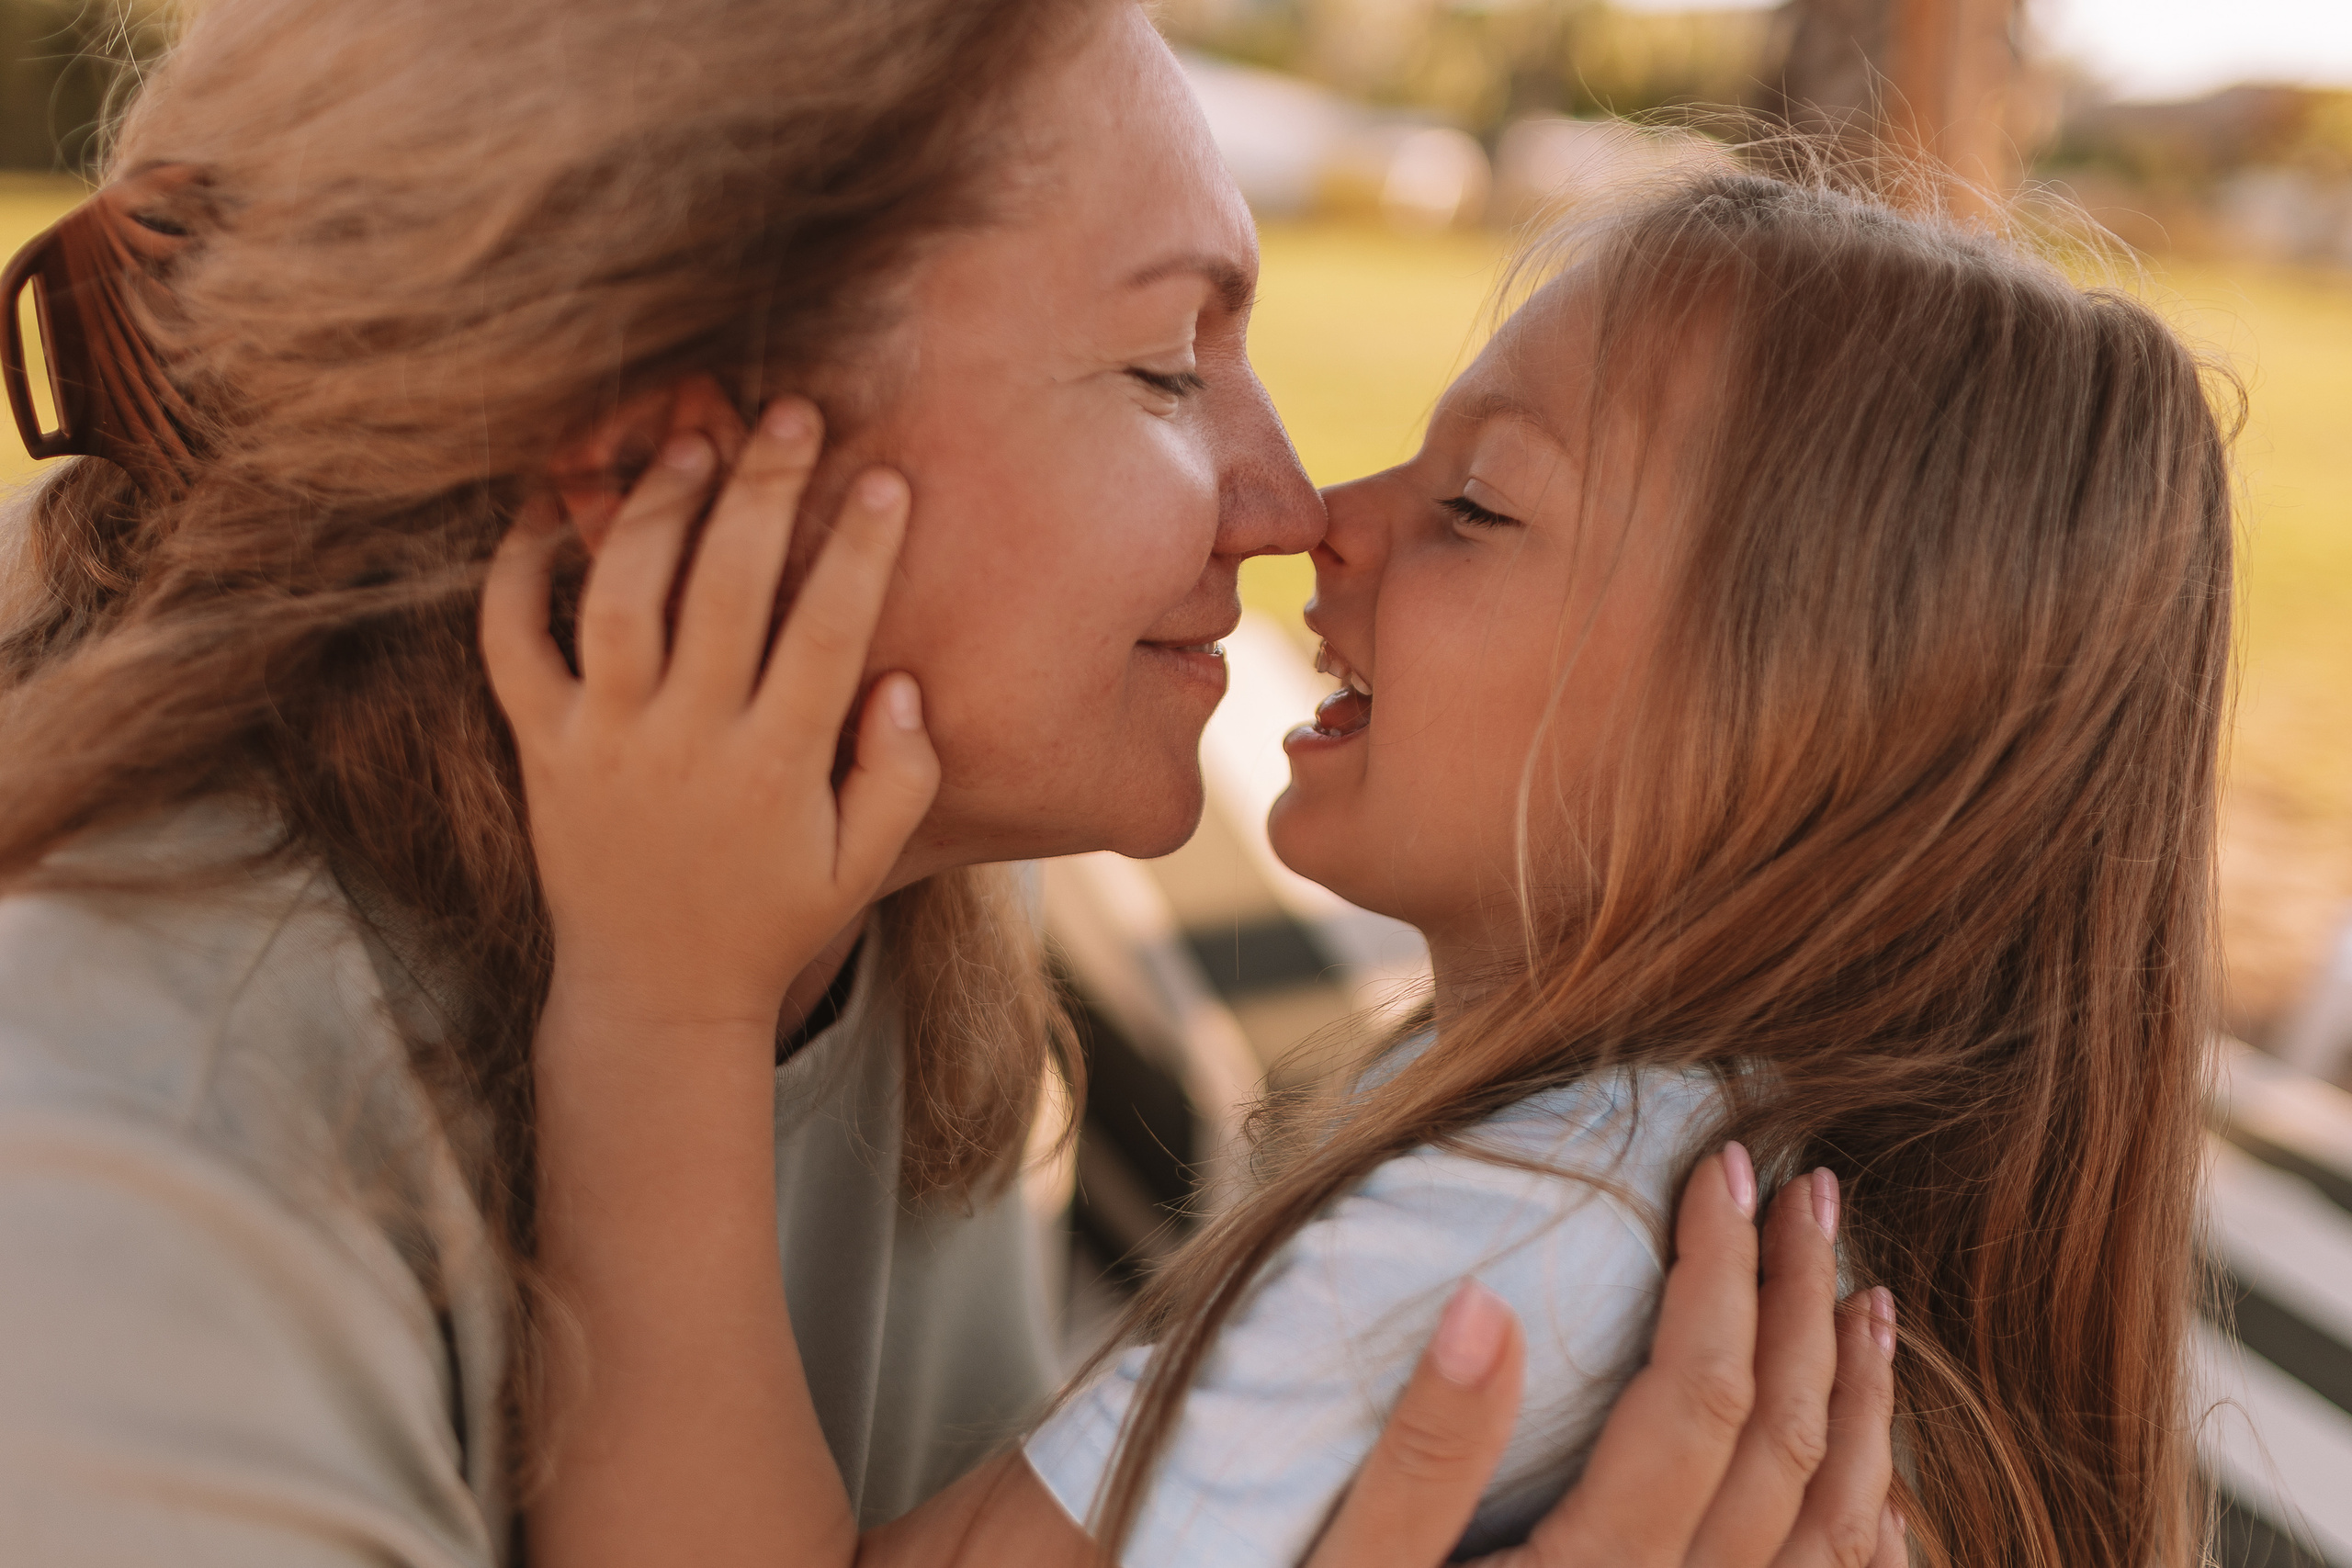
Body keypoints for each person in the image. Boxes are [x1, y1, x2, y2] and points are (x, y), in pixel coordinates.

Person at [0, 0, 1896, 1562]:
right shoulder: (112, 1195)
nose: (1286, 499)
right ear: (665, 477)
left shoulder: (888, 872)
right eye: (1163, 367)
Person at [496, 109, 2233, 1568]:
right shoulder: (1741, 1200)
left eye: (1477, 506)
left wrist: (666, 1000)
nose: (1326, 517)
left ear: (1797, 746)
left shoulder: (1495, 1242)